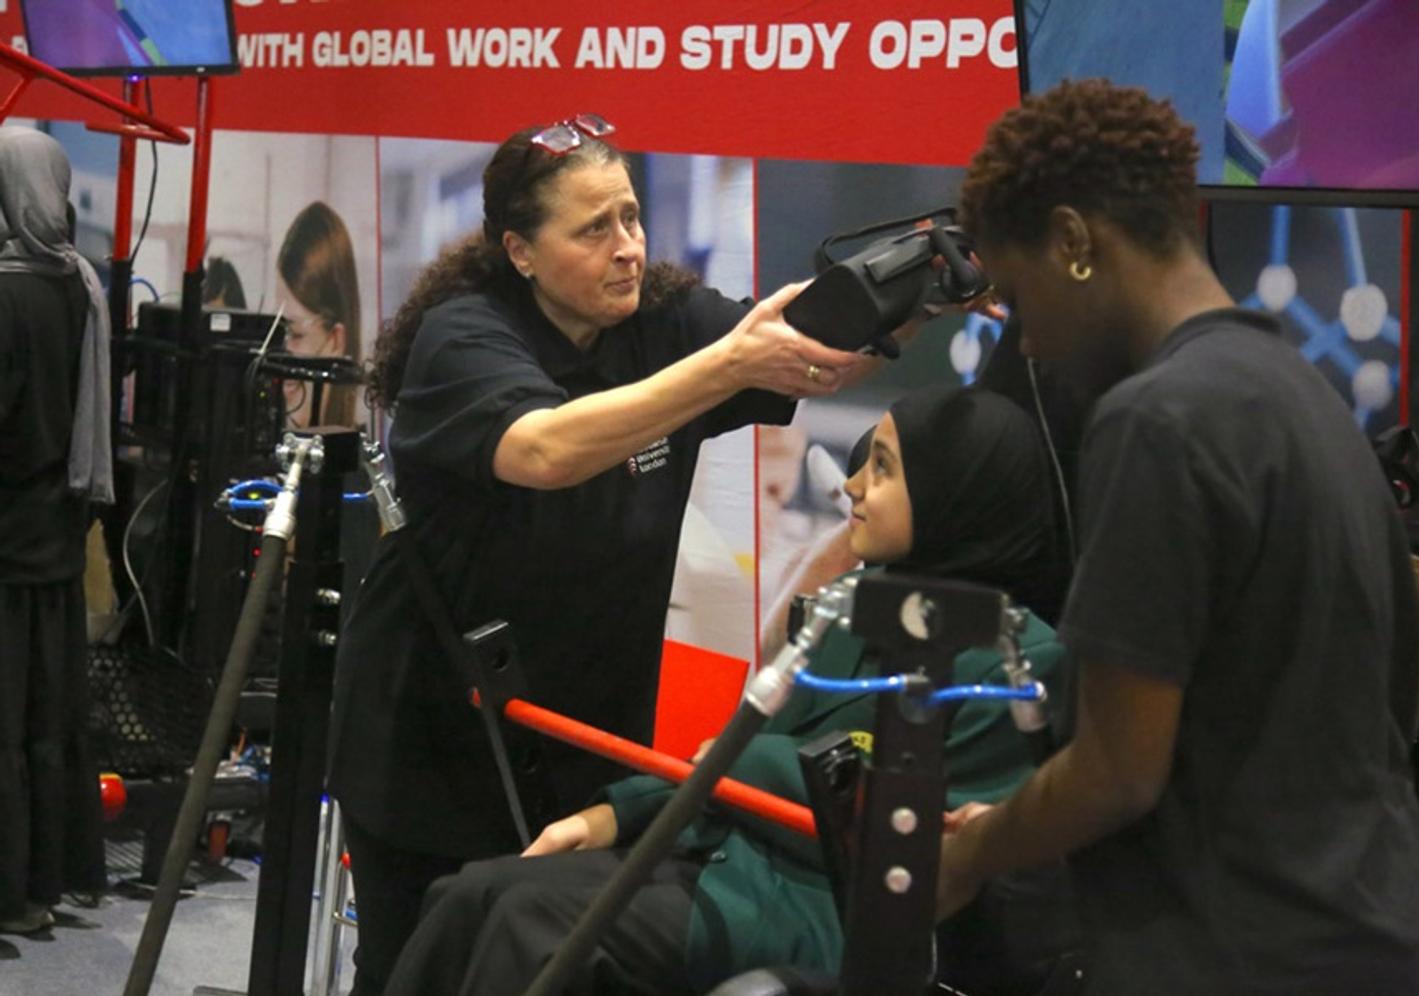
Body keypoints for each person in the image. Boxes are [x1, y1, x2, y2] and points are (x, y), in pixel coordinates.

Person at [325, 114, 873, 996]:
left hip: (587, 733)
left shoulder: (661, 319)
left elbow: (810, 349)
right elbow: (546, 451)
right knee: (422, 968)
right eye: (593, 229)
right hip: (433, 739)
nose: (626, 247)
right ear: (520, 250)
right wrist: (728, 366)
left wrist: (921, 286)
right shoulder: (461, 337)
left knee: (558, 972)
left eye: (630, 217)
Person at [935, 79, 1419, 993]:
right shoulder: (1303, 397)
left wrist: (974, 851)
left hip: (1231, 953)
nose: (1027, 346)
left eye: (1018, 297)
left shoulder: (1155, 424)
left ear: (1074, 242)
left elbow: (1118, 771)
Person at [384, 384, 1075, 995]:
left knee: (528, 925)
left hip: (819, 913)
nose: (852, 486)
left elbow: (918, 847)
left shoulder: (1019, 661)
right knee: (468, 893)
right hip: (731, 862)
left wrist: (754, 765)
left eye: (883, 468)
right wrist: (618, 815)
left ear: (956, 497)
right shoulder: (857, 602)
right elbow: (760, 758)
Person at [0, 126, 110, 935]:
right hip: (56, 539)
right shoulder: (82, 285)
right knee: (47, 723)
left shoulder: (4, 291)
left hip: (3, 542)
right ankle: (48, 883)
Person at [274, 200, 362, 428]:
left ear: (335, 341)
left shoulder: (356, 461)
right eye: (276, 333)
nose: (279, 352)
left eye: (295, 334)